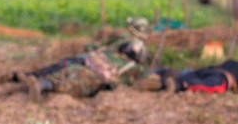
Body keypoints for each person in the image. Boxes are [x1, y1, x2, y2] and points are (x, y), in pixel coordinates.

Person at [13, 36, 148, 101]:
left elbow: (90, 47)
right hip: (92, 76)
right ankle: (42, 86)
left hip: (80, 63)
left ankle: (29, 80)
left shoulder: (109, 52)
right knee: (68, 86)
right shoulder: (132, 67)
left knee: (57, 72)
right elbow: (131, 80)